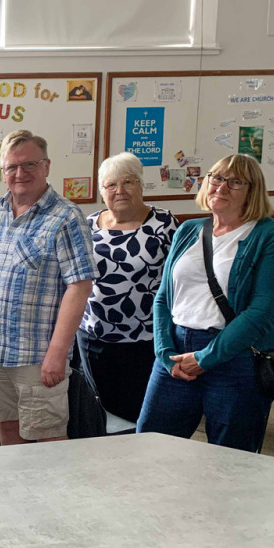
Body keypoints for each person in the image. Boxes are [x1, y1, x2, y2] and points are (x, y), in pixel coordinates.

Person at [137, 155, 274, 452]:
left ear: (252, 190)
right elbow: (164, 297)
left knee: (231, 459)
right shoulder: (188, 230)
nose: (221, 187)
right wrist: (164, 352)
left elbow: (262, 311)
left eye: (234, 182)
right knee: (150, 446)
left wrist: (207, 357)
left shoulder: (270, 235)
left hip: (236, 358)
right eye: (216, 178)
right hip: (175, 354)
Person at [0, 129, 98, 445]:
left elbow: (80, 286)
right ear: (2, 172)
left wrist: (57, 354)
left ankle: (53, 497)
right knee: (9, 431)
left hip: (37, 356)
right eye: (11, 167)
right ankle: (15, 495)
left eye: (29, 164)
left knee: (47, 443)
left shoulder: (66, 217)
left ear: (46, 166)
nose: (20, 173)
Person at [77, 152, 177, 423]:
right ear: (102, 191)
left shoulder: (164, 224)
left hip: (143, 340)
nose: (119, 190)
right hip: (92, 337)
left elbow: (178, 281)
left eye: (128, 182)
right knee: (99, 410)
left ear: (141, 185)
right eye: (111, 185)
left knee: (137, 411)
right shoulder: (88, 225)